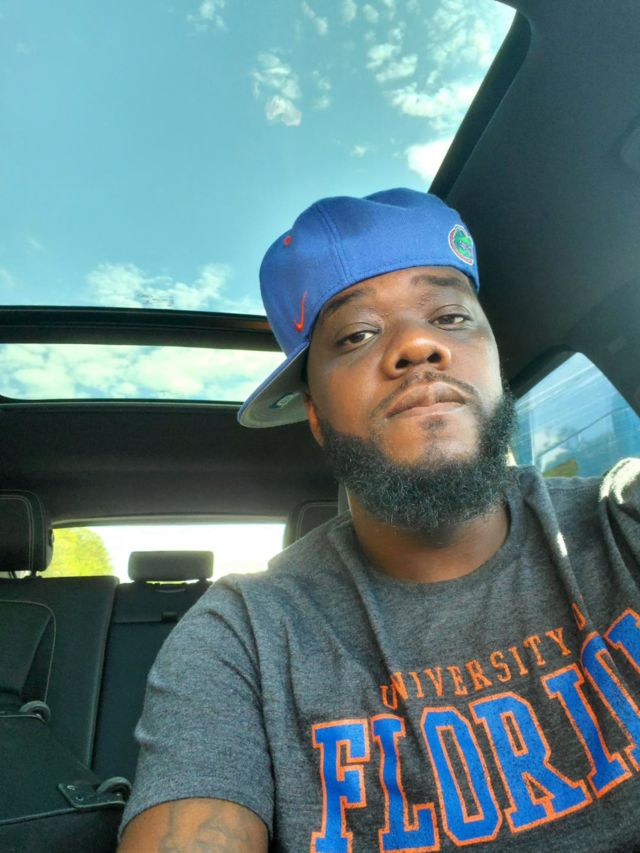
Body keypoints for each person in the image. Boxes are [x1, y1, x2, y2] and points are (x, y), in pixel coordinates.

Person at [118, 189, 640, 852]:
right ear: (315, 416)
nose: (418, 344)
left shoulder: (621, 517)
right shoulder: (244, 636)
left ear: (495, 363)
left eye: (450, 316)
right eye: (357, 334)